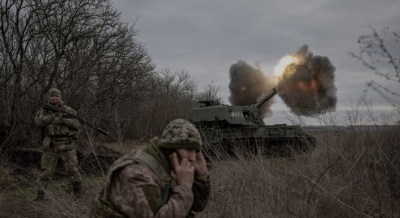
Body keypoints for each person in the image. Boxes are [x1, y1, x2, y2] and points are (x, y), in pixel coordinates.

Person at [90, 119, 211, 218]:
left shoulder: (170, 166)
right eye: (189, 150)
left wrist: (201, 176)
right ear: (171, 149)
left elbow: (196, 205)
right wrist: (184, 187)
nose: (193, 157)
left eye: (196, 151)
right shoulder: (136, 174)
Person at [34, 88, 82, 200]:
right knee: (45, 172)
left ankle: (77, 196)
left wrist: (64, 120)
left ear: (60, 97)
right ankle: (40, 197)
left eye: (57, 96)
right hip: (50, 145)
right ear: (49, 97)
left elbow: (77, 125)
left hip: (66, 144)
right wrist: (52, 116)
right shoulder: (43, 110)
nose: (54, 98)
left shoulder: (68, 110)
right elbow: (38, 123)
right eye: (52, 96)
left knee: (73, 170)